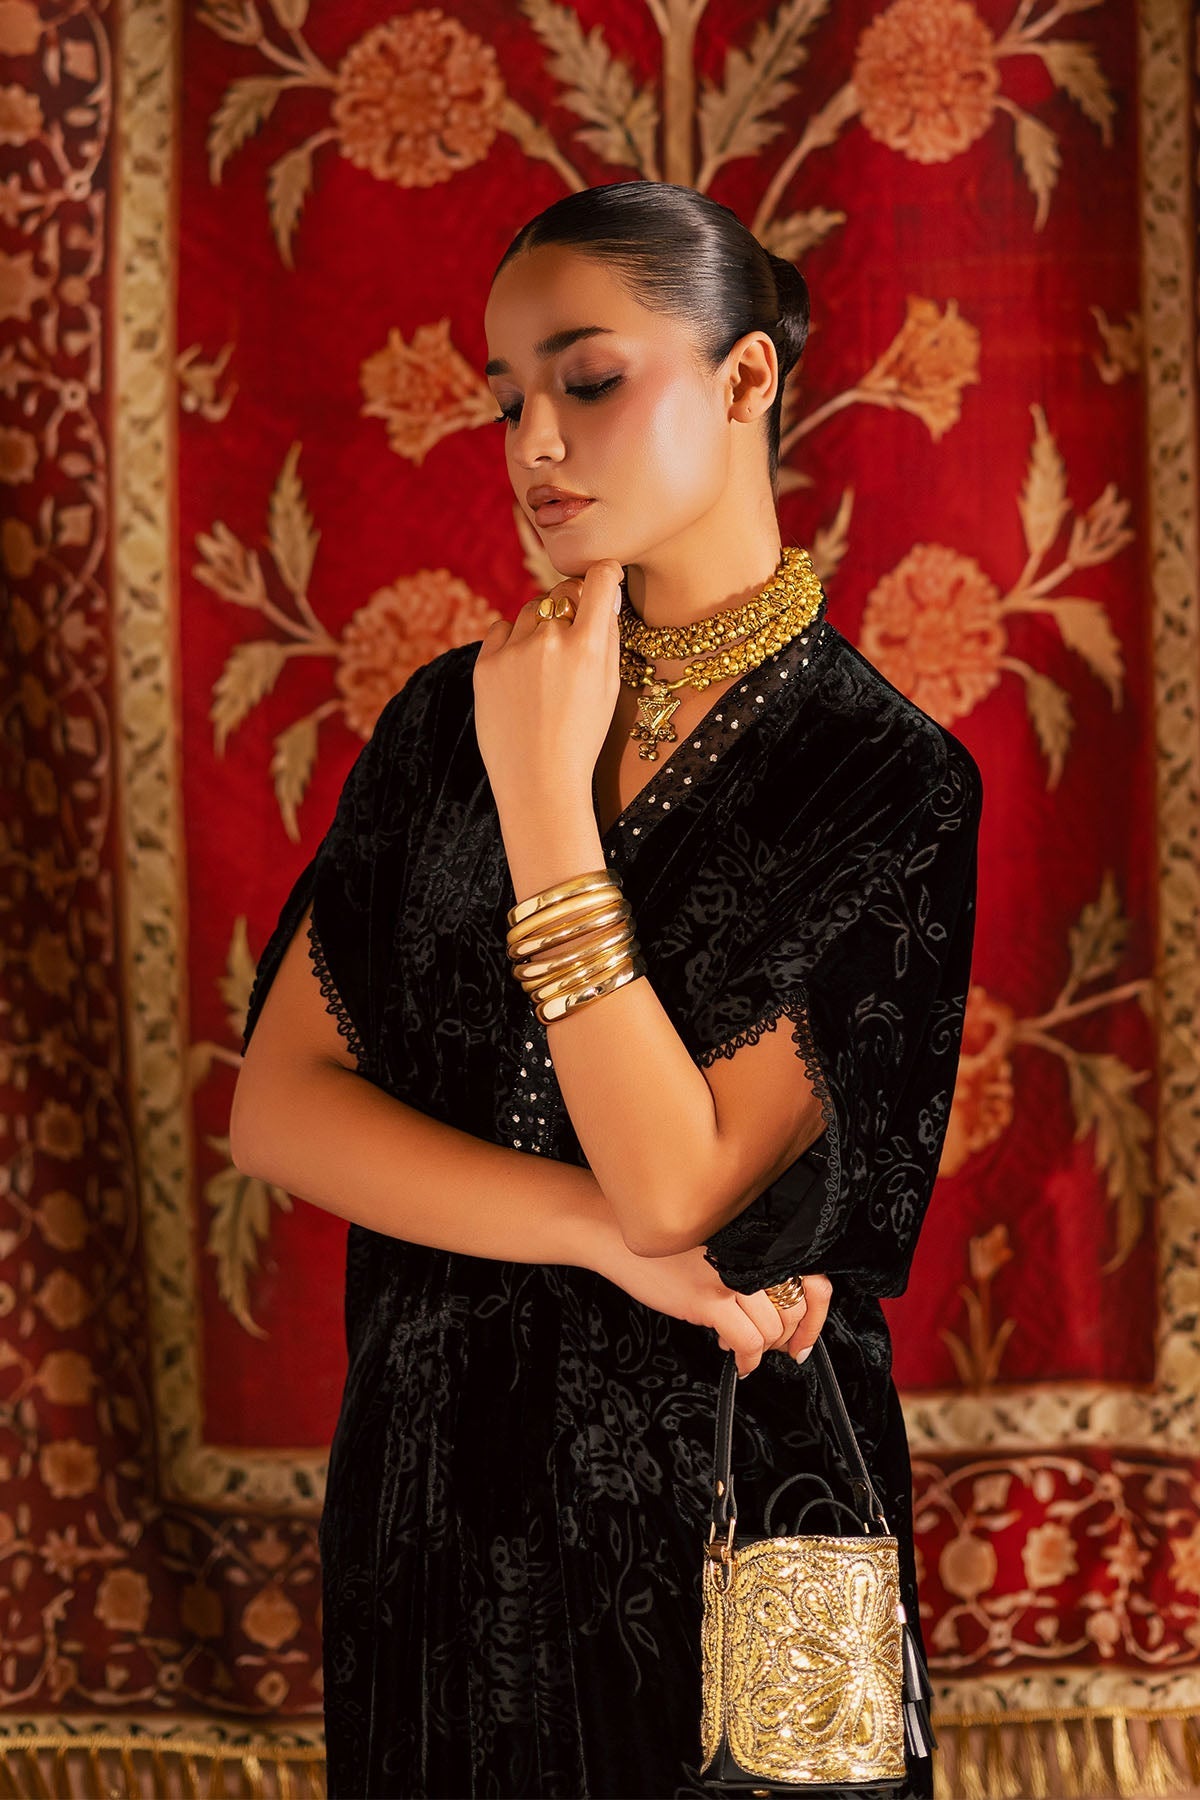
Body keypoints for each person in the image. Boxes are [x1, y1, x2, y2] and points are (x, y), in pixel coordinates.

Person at [230, 180, 982, 1800]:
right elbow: (279, 1112)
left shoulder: (882, 780)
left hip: (719, 1493)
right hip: (434, 1482)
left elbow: (675, 1189)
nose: (537, 445)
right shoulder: (448, 721)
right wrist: (587, 1234)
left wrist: (547, 806)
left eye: (587, 379)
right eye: (507, 400)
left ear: (746, 376)